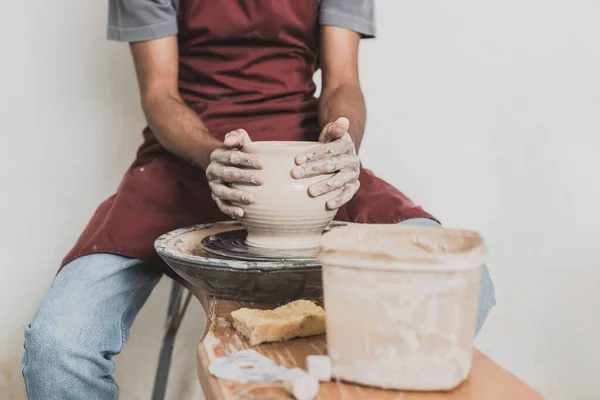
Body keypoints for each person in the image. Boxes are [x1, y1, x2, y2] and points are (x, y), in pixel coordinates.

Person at [21, 0, 495, 398]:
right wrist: (213, 156)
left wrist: (341, 148)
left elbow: (342, 83)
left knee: (468, 290)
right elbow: (159, 95)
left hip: (305, 167)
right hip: (185, 158)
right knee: (58, 347)